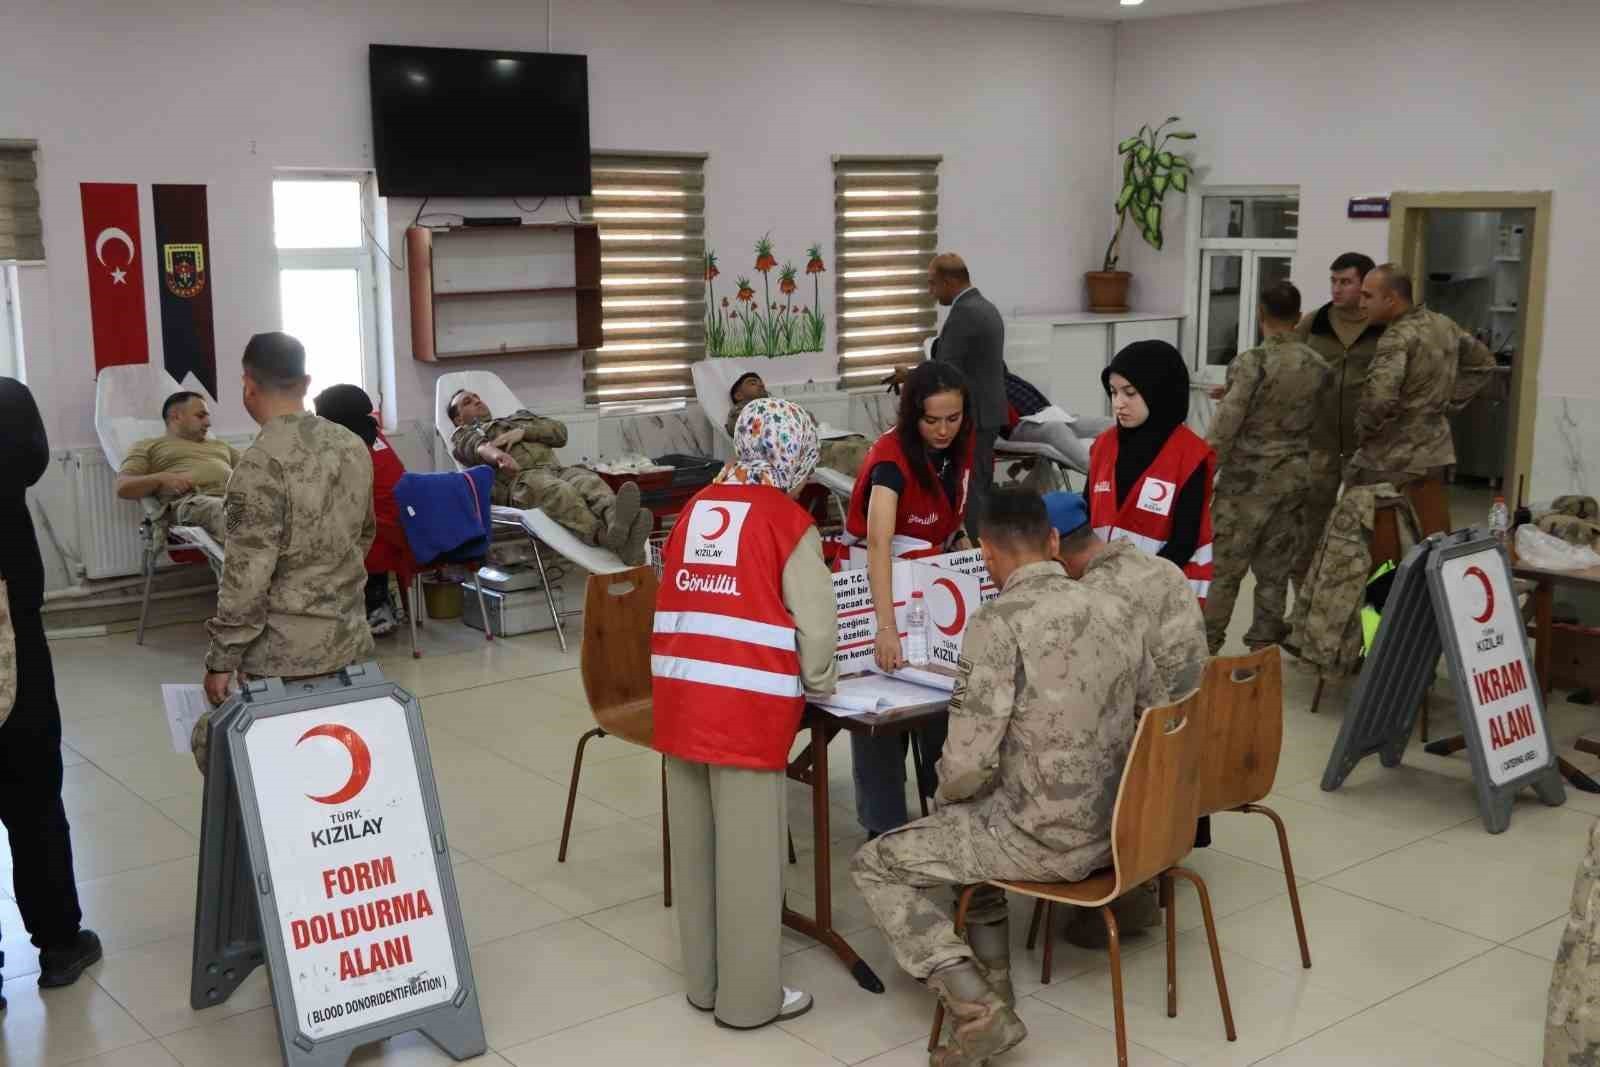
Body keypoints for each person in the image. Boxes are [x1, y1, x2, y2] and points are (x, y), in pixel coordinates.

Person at [851, 488, 1152, 1067]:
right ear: (1054, 542)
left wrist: (944, 796)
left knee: (881, 861)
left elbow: (964, 765)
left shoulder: (997, 623)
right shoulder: (1117, 607)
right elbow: (1152, 717)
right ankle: (996, 985)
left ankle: (979, 1012)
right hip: (1125, 829)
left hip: (1044, 843)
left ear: (984, 555)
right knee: (969, 820)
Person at [651, 397, 836, 1030]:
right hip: (746, 707)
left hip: (681, 699)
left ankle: (704, 984)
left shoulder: (694, 509)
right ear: (794, 458)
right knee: (750, 859)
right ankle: (750, 1001)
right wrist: (822, 683)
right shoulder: (787, 521)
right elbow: (816, 628)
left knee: (698, 851)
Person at [1048, 488, 1206, 948]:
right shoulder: (1163, 568)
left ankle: (1116, 890)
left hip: (1142, 765)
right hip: (1191, 748)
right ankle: (1143, 868)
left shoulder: (1092, 601)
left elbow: (1079, 703)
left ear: (1053, 546)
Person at [198, 332, 375, 718]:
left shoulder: (260, 463)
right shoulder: (351, 445)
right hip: (350, 638)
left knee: (222, 748)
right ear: (306, 383)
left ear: (247, 385)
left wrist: (222, 659)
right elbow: (364, 533)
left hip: (284, 657)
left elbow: (246, 576)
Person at [0, 377, 102, 1007]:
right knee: (33, 792)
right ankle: (60, 945)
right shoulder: (6, 408)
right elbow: (26, 453)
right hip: (13, 634)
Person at [843, 360, 975, 837]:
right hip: (882, 585)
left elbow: (950, 514)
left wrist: (961, 546)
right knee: (884, 706)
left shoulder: (962, 446)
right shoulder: (890, 462)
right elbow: (878, 543)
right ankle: (883, 829)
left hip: (934, 581)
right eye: (931, 420)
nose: (943, 430)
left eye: (952, 419)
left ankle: (944, 809)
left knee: (943, 698)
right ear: (910, 415)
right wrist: (885, 626)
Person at [1202, 282, 1330, 654]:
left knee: (1225, 571)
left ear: (1260, 313)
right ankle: (1262, 649)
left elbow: (1225, 428)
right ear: (1298, 315)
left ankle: (1207, 645)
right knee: (1274, 571)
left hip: (1246, 485)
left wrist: (1203, 476)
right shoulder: (1318, 366)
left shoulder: (1251, 362)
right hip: (1293, 479)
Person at [448, 389, 651, 566]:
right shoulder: (463, 434)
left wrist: (523, 431)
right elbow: (477, 447)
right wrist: (499, 456)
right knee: (560, 492)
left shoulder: (518, 418)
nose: (476, 400)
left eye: (476, 396)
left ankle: (619, 527)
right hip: (522, 482)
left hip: (557, 470)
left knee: (591, 482)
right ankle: (606, 537)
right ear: (458, 419)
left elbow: (560, 433)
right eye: (467, 402)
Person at [1088, 339, 1216, 605]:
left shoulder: (1191, 454)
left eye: (1130, 392)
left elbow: (1185, 540)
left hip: (1164, 594)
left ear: (1157, 390)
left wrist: (1135, 585)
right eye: (1113, 392)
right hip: (1105, 591)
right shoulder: (1103, 445)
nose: (1118, 404)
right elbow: (1088, 510)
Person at [1349, 264, 1497, 490]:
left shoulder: (1395, 337)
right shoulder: (1444, 325)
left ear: (1391, 299)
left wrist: (1363, 433)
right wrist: (1446, 401)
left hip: (1391, 459)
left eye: (1368, 296)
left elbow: (1379, 398)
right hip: (1435, 454)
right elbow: (1484, 363)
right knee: (1428, 522)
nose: (1361, 304)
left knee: (1378, 523)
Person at [1291, 252, 1385, 593]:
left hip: (1369, 449)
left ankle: (1368, 620)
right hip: (1319, 446)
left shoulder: (1382, 325)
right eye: (1334, 281)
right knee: (1308, 534)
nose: (1337, 289)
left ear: (1364, 284)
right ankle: (1303, 616)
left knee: (1370, 533)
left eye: (1346, 282)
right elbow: (1285, 359)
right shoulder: (1315, 323)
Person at [314, 384, 412, 637]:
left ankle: (367, 604)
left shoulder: (345, 443)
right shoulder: (374, 434)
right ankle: (377, 601)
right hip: (405, 523)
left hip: (378, 529)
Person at [927, 253, 1005, 541]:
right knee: (981, 486)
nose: (931, 292)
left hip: (974, 415)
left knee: (970, 490)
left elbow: (946, 370)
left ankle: (977, 555)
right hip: (987, 412)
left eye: (933, 284)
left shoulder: (965, 314)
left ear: (950, 281)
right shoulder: (986, 307)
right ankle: (985, 550)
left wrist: (911, 376)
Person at [115, 389, 239, 544]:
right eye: (200, 416)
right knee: (227, 511)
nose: (208, 423)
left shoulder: (221, 446)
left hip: (232, 498)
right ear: (176, 416)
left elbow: (255, 472)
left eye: (207, 416)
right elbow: (123, 487)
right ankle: (248, 565)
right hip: (193, 502)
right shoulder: (147, 446)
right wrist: (160, 478)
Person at [726, 371, 871, 476]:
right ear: (738, 395)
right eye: (752, 382)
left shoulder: (776, 405)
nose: (760, 385)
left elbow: (808, 418)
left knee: (869, 444)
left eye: (761, 382)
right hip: (795, 452)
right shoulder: (740, 413)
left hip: (815, 438)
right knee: (855, 452)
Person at [1002, 369, 1115, 477]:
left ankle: (1129, 466)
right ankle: (1101, 476)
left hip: (1044, 414)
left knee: (1105, 423)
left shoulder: (1005, 375)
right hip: (1018, 426)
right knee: (1055, 428)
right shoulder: (987, 382)